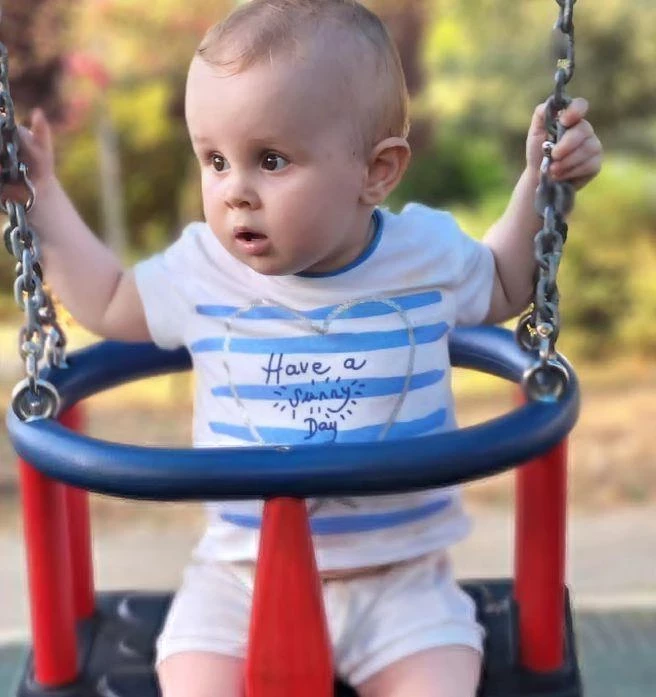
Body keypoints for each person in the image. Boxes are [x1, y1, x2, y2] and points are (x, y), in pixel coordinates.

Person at [14, 1, 602, 695]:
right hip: (236, 581)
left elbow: (505, 282)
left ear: (377, 172)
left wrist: (541, 185)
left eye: (270, 160)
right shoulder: (202, 272)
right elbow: (110, 300)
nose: (235, 192)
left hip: (400, 585)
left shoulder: (424, 255)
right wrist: (39, 196)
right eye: (215, 160)